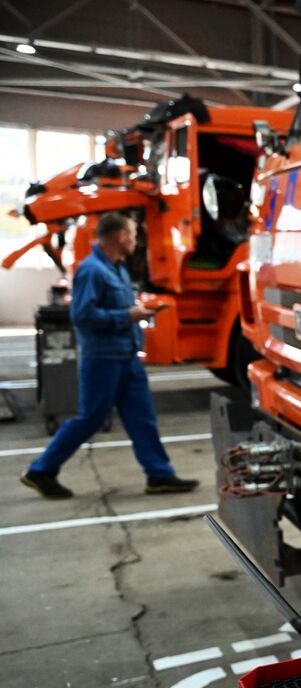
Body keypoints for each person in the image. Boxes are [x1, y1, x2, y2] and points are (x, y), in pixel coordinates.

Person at [21, 211, 200, 499]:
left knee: (142, 418)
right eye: (133, 234)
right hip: (104, 358)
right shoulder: (92, 270)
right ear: (120, 236)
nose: (136, 240)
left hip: (127, 356)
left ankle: (160, 475)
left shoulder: (117, 268)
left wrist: (139, 307)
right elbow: (82, 315)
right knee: (90, 418)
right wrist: (127, 315)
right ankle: (41, 470)